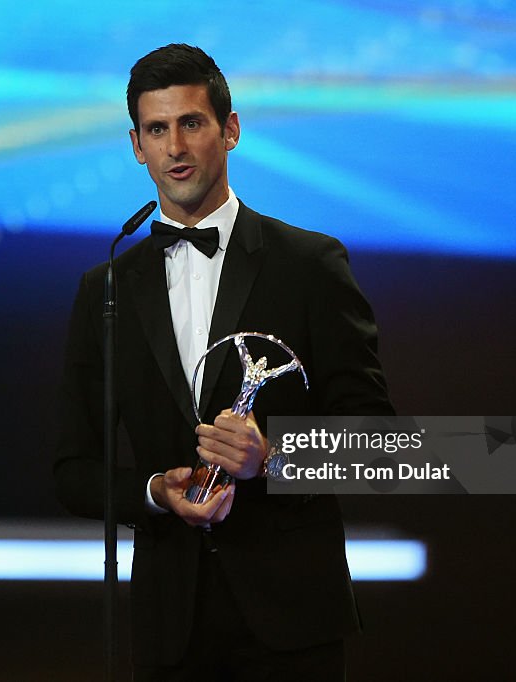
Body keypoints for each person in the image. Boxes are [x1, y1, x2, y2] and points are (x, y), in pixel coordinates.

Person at [54, 43, 393, 680]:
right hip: (169, 628)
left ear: (230, 130)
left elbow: (382, 448)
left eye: (192, 123)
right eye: (157, 129)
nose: (175, 147)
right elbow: (73, 470)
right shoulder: (106, 289)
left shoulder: (311, 266)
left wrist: (275, 458)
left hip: (292, 626)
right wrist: (155, 492)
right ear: (136, 145)